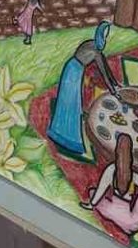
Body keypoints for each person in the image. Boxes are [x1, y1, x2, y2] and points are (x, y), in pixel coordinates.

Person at [48, 20, 113, 157]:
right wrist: (113, 90)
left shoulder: (95, 48)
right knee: (71, 104)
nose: (105, 39)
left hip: (73, 68)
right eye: (104, 36)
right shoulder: (94, 51)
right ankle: (68, 139)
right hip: (73, 72)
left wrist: (115, 86)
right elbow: (104, 72)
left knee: (69, 102)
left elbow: (107, 70)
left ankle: (60, 132)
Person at [82, 132, 138, 235]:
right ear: (130, 156)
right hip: (132, 223)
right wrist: (132, 173)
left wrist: (91, 204)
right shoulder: (133, 175)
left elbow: (100, 189)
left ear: (116, 152)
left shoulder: (111, 169)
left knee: (92, 192)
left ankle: (117, 217)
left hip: (111, 211)